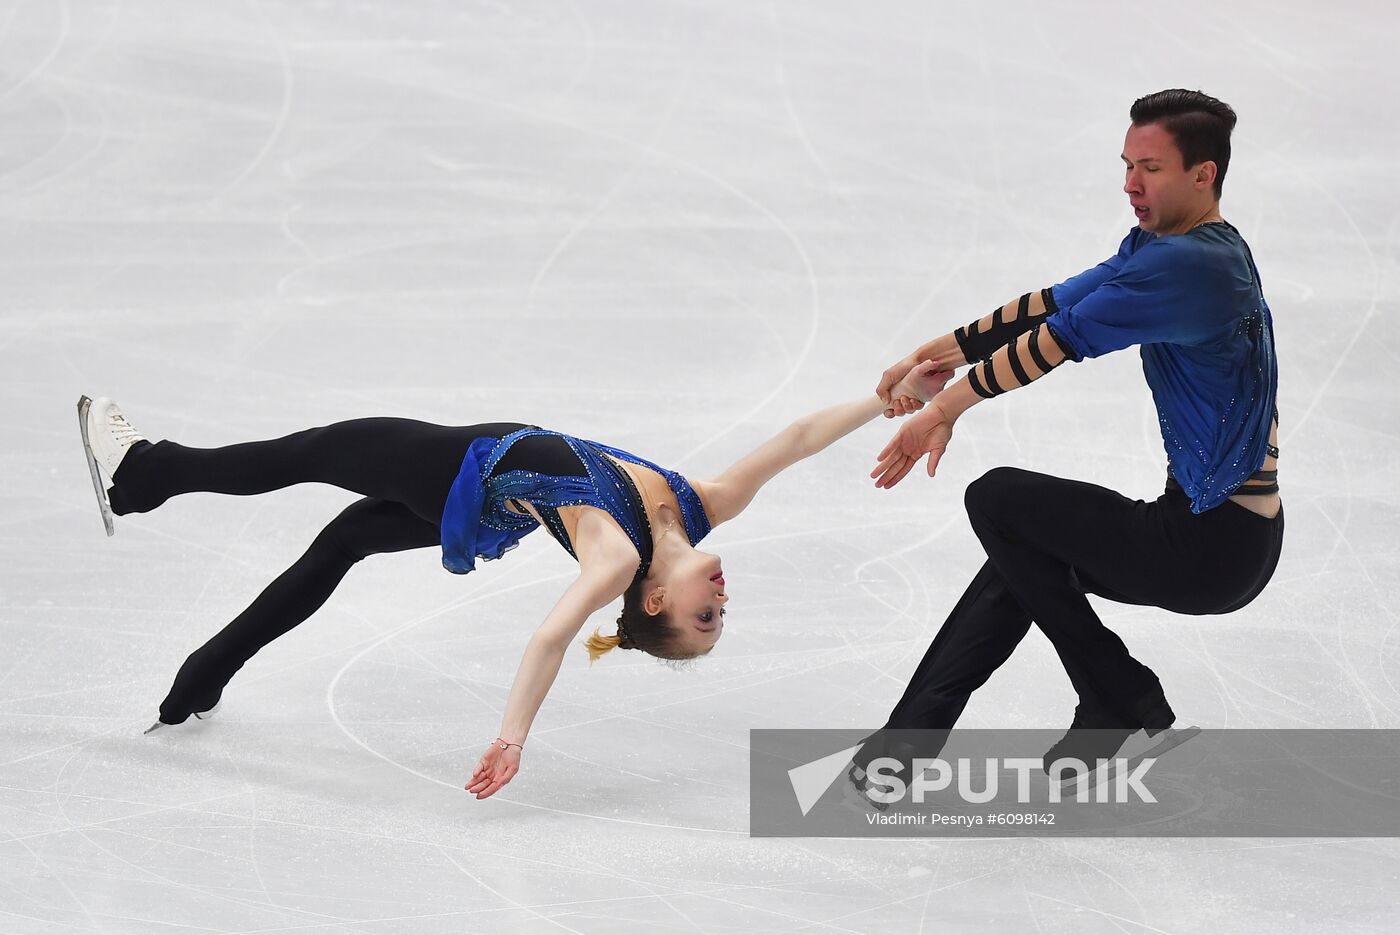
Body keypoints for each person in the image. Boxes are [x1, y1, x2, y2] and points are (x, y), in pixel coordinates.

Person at [77, 361, 947, 799]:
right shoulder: (703, 506)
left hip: (453, 465)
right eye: (723, 611)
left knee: (311, 452)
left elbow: (549, 635)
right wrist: (893, 397)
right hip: (484, 497)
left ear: (654, 601)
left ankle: (143, 473)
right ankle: (197, 681)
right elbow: (798, 437)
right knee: (335, 548)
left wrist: (513, 737)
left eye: (704, 616)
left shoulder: (613, 557)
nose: (723, 599)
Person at [853, 89, 1284, 782]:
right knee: (1021, 555)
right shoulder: (1174, 248)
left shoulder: (1192, 267)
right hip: (1222, 535)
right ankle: (904, 748)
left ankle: (1119, 690)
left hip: (1212, 543)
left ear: (1203, 174)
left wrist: (945, 408)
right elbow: (1056, 301)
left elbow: (1059, 340)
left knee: (998, 499)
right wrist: (933, 356)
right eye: (1126, 164)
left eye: (1151, 167)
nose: (1130, 183)